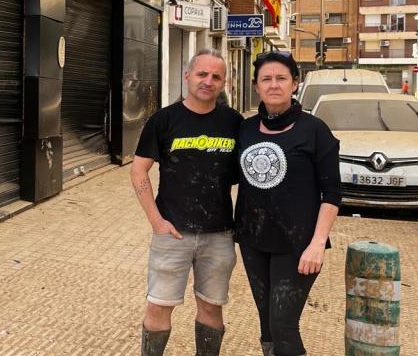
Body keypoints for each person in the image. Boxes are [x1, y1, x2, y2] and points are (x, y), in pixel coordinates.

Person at [131, 50, 243, 356]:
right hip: (172, 232)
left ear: (224, 83)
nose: (208, 81)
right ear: (187, 76)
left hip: (219, 234)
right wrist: (156, 221)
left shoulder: (234, 123)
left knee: (212, 309)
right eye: (201, 74)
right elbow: (139, 169)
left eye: (215, 77)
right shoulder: (164, 120)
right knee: (158, 308)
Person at [234, 51, 341, 356]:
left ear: (295, 83)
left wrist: (318, 244)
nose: (274, 85)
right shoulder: (245, 128)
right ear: (256, 86)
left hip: (298, 244)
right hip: (253, 240)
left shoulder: (315, 130)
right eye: (266, 79)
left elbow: (332, 193)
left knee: (283, 323)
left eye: (281, 78)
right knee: (267, 322)